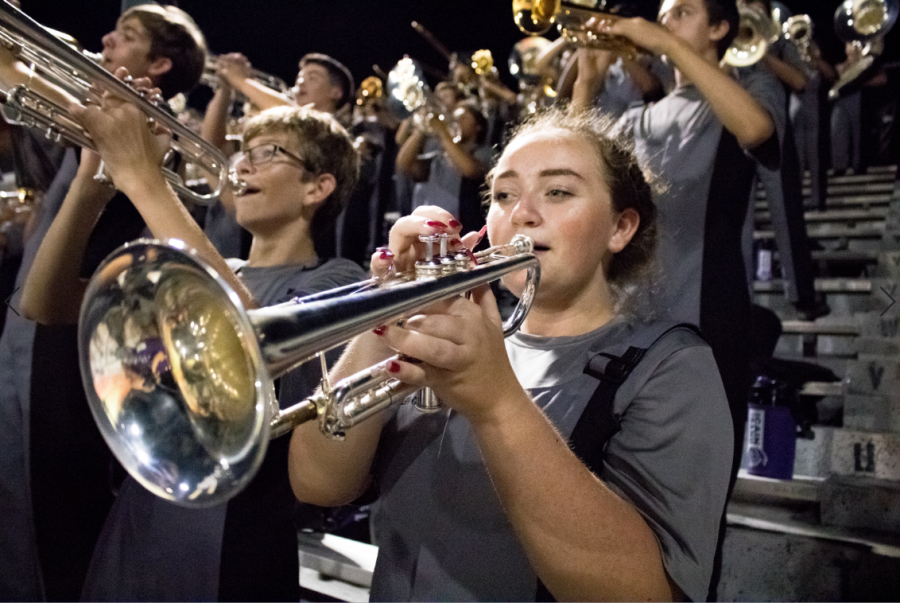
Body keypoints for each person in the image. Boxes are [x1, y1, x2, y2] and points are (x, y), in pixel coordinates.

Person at [288, 106, 734, 601]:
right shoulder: (443, 337)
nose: (521, 212)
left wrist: (497, 403)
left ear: (620, 228)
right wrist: (385, 309)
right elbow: (318, 484)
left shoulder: (670, 364)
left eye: (558, 191)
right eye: (503, 194)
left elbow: (646, 594)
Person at [21, 77, 366, 598]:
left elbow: (252, 339)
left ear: (318, 188)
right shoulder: (207, 263)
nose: (241, 165)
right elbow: (44, 302)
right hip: (144, 511)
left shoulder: (338, 278)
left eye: (268, 153)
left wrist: (142, 174)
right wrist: (94, 178)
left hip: (231, 536)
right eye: (241, 152)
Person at [0, 5, 206, 600]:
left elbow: (12, 74)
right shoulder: (99, 115)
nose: (109, 37)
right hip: (35, 321)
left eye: (131, 36)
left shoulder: (147, 123)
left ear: (160, 65)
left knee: (46, 520)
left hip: (79, 343)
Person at [396, 98, 493, 232]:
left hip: (464, 231)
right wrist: (421, 130)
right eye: (454, 118)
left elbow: (470, 170)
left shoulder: (485, 152)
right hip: (430, 230)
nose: (456, 121)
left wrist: (442, 132)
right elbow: (404, 165)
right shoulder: (439, 156)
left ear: (479, 126)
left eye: (464, 117)